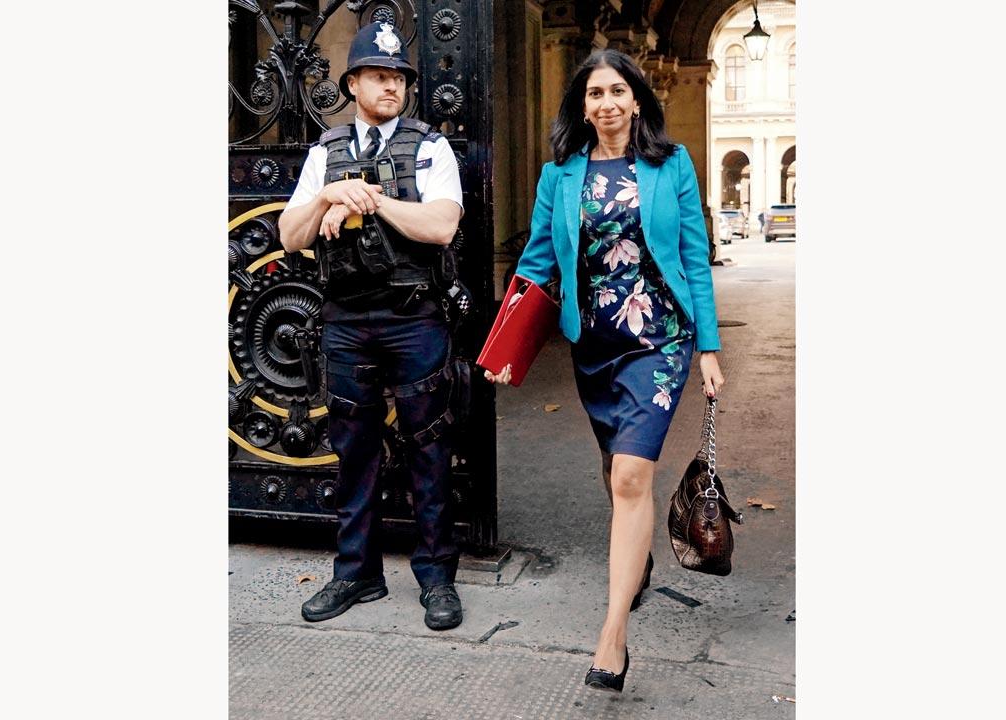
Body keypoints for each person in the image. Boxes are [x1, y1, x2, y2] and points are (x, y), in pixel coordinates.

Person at [485, 49, 725, 690]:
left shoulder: (671, 165)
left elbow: (694, 257)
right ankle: (635, 559)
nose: (607, 104)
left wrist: (709, 347)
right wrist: (503, 347)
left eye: (618, 91)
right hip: (592, 343)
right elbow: (536, 264)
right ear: (582, 106)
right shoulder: (559, 175)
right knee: (615, 469)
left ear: (638, 100)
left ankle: (612, 636)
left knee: (628, 476)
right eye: (595, 94)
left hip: (660, 339)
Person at [277, 21, 466, 631]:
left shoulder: (432, 147)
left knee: (428, 446)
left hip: (414, 318)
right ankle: (355, 573)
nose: (391, 86)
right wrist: (332, 195)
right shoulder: (323, 155)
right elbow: (290, 235)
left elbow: (440, 226)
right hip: (346, 318)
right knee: (353, 448)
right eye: (379, 76)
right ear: (353, 82)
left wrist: (372, 198)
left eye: (399, 77)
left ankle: (436, 576)